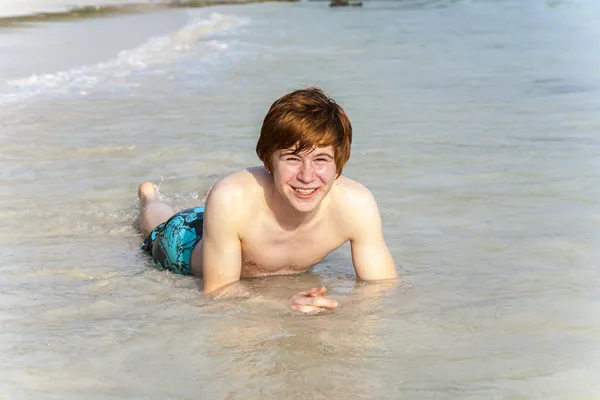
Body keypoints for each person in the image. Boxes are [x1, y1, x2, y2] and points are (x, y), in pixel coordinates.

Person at [138, 87, 398, 314]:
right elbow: (218, 292)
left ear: (339, 165)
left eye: (321, 160)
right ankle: (150, 197)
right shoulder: (231, 198)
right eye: (292, 159)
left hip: (230, 215)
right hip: (185, 243)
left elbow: (382, 288)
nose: (307, 176)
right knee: (157, 224)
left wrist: (338, 307)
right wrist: (283, 304)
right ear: (268, 162)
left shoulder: (357, 204)